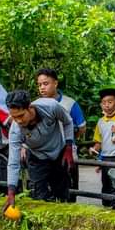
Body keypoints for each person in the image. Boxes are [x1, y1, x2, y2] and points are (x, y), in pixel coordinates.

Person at [3, 89, 74, 207]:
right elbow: (13, 162)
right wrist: (11, 191)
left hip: (59, 152)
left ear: (30, 107)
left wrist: (68, 147)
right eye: (14, 117)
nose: (18, 121)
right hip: (37, 157)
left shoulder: (51, 106)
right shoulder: (15, 130)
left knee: (62, 194)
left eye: (21, 115)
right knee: (39, 197)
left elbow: (68, 122)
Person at [36, 68, 85, 199]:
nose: (42, 88)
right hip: (45, 153)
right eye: (39, 84)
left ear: (56, 83)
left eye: (45, 84)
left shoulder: (70, 103)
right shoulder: (36, 105)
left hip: (67, 152)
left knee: (69, 188)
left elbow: (81, 127)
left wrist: (70, 140)